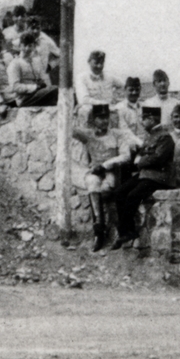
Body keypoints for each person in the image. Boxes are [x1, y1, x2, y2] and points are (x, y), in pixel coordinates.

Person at [112, 104, 175, 248]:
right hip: (146, 174)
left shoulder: (165, 137)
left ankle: (128, 231)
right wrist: (141, 158)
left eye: (144, 119)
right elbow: (142, 155)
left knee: (133, 195)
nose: (141, 122)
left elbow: (158, 158)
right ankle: (126, 232)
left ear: (152, 119)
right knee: (119, 192)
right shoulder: (150, 136)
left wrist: (141, 160)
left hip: (160, 177)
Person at [73, 104, 133, 250]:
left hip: (110, 172)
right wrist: (76, 111)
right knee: (92, 183)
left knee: (106, 189)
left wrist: (105, 165)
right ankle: (99, 231)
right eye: (100, 118)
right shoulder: (88, 134)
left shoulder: (117, 134)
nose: (104, 121)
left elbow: (126, 156)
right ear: (93, 119)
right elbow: (70, 130)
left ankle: (111, 228)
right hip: (94, 172)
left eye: (106, 117)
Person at [8, 29, 59, 105]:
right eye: (24, 45)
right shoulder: (15, 63)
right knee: (55, 90)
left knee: (56, 93)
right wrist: (35, 87)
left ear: (33, 46)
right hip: (24, 99)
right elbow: (14, 87)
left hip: (38, 94)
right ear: (20, 46)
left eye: (30, 46)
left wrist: (42, 83)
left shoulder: (36, 61)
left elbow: (42, 79)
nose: (27, 49)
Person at [114, 76, 147, 140]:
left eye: (137, 90)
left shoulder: (145, 106)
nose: (134, 92)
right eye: (131, 90)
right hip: (127, 145)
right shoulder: (118, 108)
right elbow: (124, 131)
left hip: (145, 145)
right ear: (125, 89)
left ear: (140, 90)